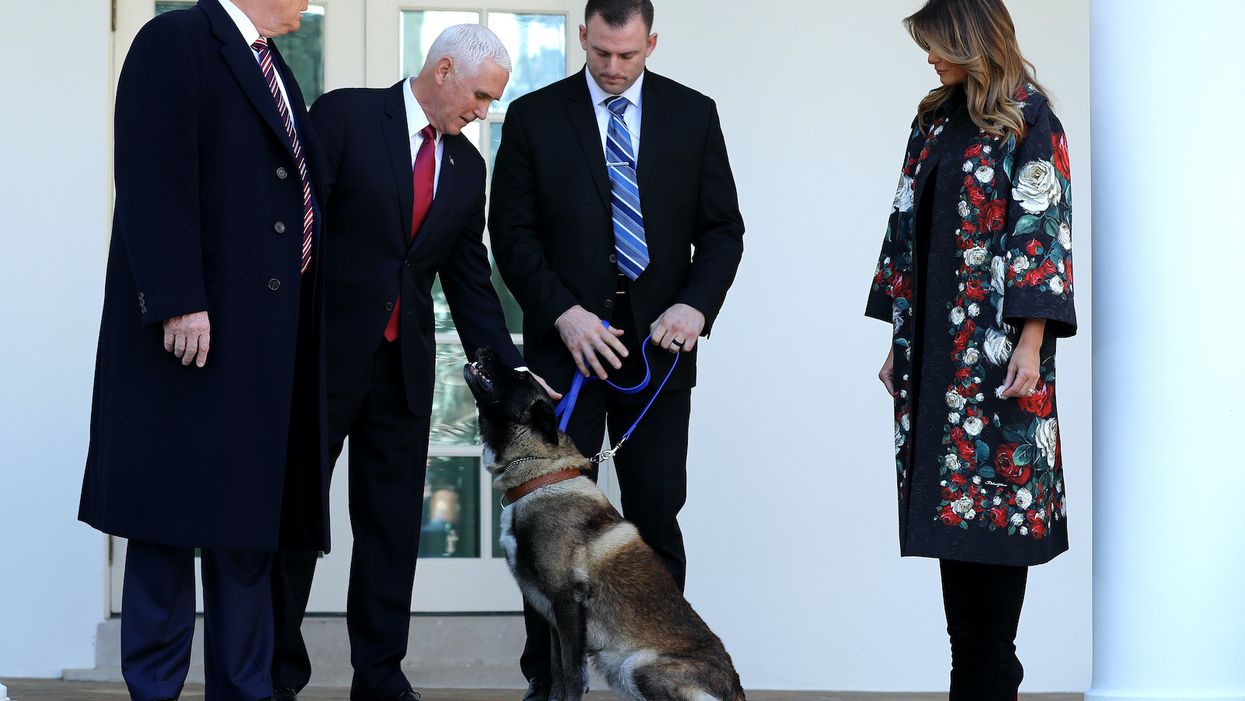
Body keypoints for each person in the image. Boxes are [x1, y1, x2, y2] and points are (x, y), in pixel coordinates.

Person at [268, 25, 555, 701]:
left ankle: (378, 673)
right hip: (321, 359)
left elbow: (468, 281)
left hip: (402, 370)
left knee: (392, 527)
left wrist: (509, 370)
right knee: (296, 522)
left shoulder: (465, 166)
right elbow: (295, 229)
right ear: (445, 69)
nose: (482, 112)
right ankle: (275, 674)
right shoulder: (345, 115)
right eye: (480, 96)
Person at [488, 1, 745, 697]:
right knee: (550, 531)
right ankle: (548, 685)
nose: (610, 68)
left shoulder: (693, 114)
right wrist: (563, 314)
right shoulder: (536, 117)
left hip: (657, 362)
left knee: (655, 517)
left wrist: (694, 305)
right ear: (583, 38)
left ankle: (658, 670)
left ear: (650, 43)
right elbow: (510, 233)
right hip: (563, 357)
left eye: (626, 55)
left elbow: (722, 230)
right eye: (600, 52)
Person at [78, 1, 328, 700]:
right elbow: (151, 174)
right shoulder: (176, 39)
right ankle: (154, 690)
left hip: (260, 345)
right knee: (164, 528)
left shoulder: (277, 69)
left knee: (245, 539)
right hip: (190, 339)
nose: (310, 3)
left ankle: (244, 691)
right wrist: (178, 297)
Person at [865, 0, 1077, 698]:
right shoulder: (931, 119)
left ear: (969, 39)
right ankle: (977, 681)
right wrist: (897, 335)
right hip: (934, 362)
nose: (928, 57)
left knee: (994, 538)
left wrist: (1032, 337)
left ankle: (985, 682)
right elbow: (903, 223)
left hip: (1000, 368)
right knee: (954, 543)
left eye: (935, 45)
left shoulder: (1027, 116)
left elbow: (1041, 230)